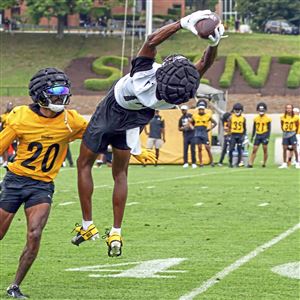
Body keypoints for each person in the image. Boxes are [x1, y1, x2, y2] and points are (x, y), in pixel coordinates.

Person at [72, 9, 225, 257]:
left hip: (111, 110)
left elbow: (152, 39)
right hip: (136, 118)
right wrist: (214, 43)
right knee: (120, 173)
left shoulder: (142, 74)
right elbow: (205, 63)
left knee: (84, 164)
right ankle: (116, 231)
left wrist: (182, 23)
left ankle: (88, 225)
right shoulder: (175, 93)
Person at [0, 68, 92, 299]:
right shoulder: (20, 116)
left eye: (63, 93)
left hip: (41, 186)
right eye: (54, 94)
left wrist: (133, 151)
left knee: (35, 233)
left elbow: (99, 134)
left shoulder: (71, 120)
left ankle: (15, 286)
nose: (60, 99)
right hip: (15, 181)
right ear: (40, 95)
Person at [191, 100, 217, 167]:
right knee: (199, 148)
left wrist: (210, 129)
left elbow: (215, 123)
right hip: (197, 133)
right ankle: (201, 163)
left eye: (202, 109)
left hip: (204, 132)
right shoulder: (195, 116)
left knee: (207, 148)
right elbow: (190, 122)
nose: (201, 111)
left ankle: (212, 162)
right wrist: (192, 127)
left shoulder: (207, 116)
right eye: (200, 109)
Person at [248, 102, 272, 168]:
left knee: (265, 149)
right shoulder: (256, 119)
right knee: (254, 149)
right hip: (258, 135)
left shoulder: (268, 119)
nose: (261, 111)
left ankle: (264, 163)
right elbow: (254, 128)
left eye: (262, 110)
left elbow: (269, 129)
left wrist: (268, 137)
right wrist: (252, 136)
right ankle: (250, 163)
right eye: (260, 110)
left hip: (264, 134)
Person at [278, 104, 300, 169]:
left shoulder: (296, 117)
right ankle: (284, 163)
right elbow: (282, 125)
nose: (288, 109)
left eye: (290, 108)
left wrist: (294, 133)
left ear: (292, 109)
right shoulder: (282, 117)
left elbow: (297, 125)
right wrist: (285, 131)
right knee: (284, 149)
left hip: (292, 133)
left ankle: (297, 163)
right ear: (285, 109)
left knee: (295, 149)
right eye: (287, 108)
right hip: (285, 134)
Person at [228, 103, 246, 167]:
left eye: (239, 110)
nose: (237, 111)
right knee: (231, 149)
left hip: (240, 135)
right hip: (233, 134)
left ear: (241, 110)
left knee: (239, 149)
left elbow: (244, 128)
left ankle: (238, 163)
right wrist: (228, 135)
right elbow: (229, 127)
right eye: (236, 110)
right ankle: (230, 162)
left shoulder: (243, 118)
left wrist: (244, 136)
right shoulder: (231, 117)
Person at [1, 102, 15, 167]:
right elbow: (1, 126)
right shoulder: (2, 116)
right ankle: (5, 161)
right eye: (9, 105)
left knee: (16, 147)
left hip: (14, 133)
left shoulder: (14, 115)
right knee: (5, 148)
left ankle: (15, 161)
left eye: (11, 105)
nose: (10, 107)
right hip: (6, 133)